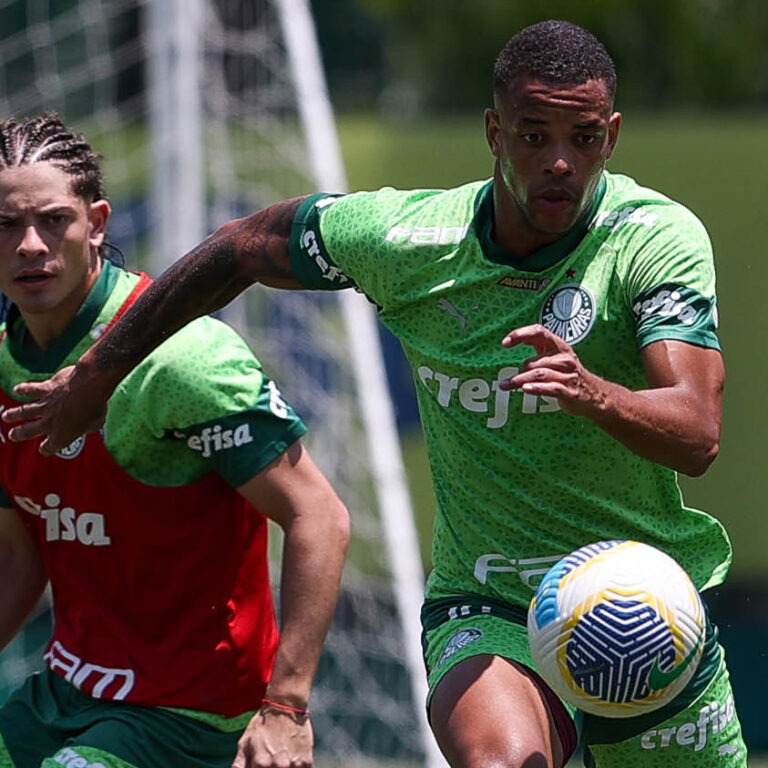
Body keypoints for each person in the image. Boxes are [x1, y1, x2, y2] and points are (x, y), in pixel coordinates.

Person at [2, 20, 748, 768]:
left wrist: (595, 394)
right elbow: (238, 248)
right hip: (490, 603)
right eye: (532, 135)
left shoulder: (652, 240)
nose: (559, 161)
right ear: (494, 130)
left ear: (612, 135)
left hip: (645, 597)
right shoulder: (409, 241)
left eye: (583, 138)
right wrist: (97, 377)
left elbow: (697, 431)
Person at [0, 113, 350, 768]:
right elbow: (19, 558)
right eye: (7, 225)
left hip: (191, 715)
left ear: (97, 223)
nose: (29, 245)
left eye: (53, 221)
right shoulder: (1, 368)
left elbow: (319, 517)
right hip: (66, 692)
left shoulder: (182, 359)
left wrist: (287, 709)